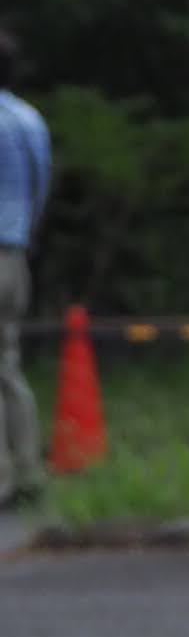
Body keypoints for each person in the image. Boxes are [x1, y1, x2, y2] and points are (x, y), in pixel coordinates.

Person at [0, 26, 46, 507]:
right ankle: (27, 469)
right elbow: (40, 187)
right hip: (14, 254)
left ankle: (4, 475)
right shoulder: (29, 120)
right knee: (8, 365)